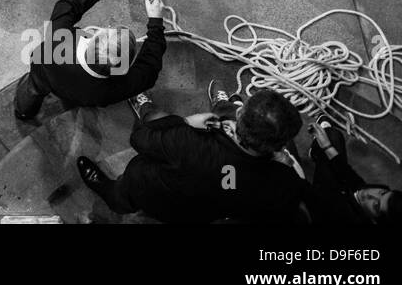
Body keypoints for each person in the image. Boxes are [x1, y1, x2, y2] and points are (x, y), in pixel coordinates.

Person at [77, 88, 310, 223]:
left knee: (154, 121)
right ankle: (223, 104)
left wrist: (186, 121)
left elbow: (140, 139)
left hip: (150, 189)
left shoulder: (187, 140)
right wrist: (285, 164)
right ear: (280, 146)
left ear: (239, 115)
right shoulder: (285, 184)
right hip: (198, 215)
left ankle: (114, 197)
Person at [13, 0, 166, 120]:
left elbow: (67, 6)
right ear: (123, 66)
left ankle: (23, 113)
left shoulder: (59, 39)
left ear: (94, 38)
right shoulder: (113, 90)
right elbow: (150, 67)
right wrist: (156, 23)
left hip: (44, 73)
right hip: (80, 96)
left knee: (33, 90)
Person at [305, 118, 402, 224]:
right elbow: (351, 179)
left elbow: (309, 195)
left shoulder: (342, 215)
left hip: (319, 201)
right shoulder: (367, 198)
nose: (370, 194)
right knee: (333, 136)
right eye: (382, 193)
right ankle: (317, 152)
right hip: (339, 191)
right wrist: (326, 146)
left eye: (376, 205)